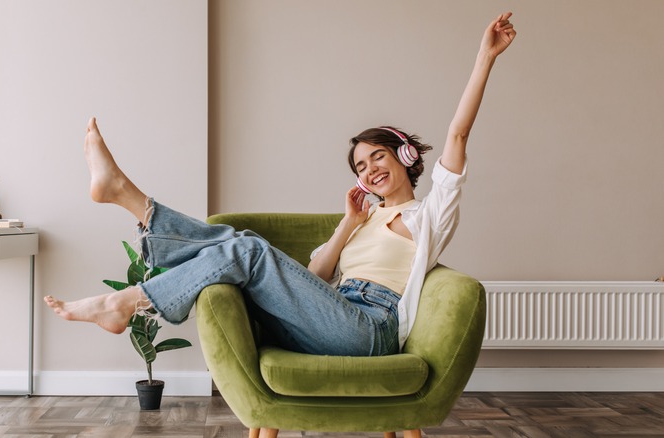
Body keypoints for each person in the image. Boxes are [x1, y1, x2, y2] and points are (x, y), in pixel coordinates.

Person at [45, 12, 516, 356]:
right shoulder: (365, 217)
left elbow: (457, 134)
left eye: (378, 156)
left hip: (370, 331)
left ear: (406, 158)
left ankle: (126, 280)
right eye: (360, 165)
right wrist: (347, 225)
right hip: (328, 316)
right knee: (245, 246)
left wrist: (484, 58)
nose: (369, 169)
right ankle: (128, 205)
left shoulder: (428, 215)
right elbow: (312, 283)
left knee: (248, 249)